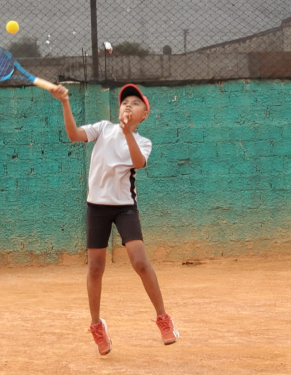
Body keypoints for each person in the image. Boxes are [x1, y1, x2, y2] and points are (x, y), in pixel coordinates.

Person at [50, 83, 179, 355]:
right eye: (124, 102)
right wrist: (64, 102)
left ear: (144, 114)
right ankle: (97, 326)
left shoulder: (143, 142)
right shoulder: (103, 129)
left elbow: (138, 162)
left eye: (135, 102)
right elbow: (74, 135)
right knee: (95, 269)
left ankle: (163, 318)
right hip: (96, 207)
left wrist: (126, 131)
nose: (128, 105)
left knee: (140, 262)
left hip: (124, 208)